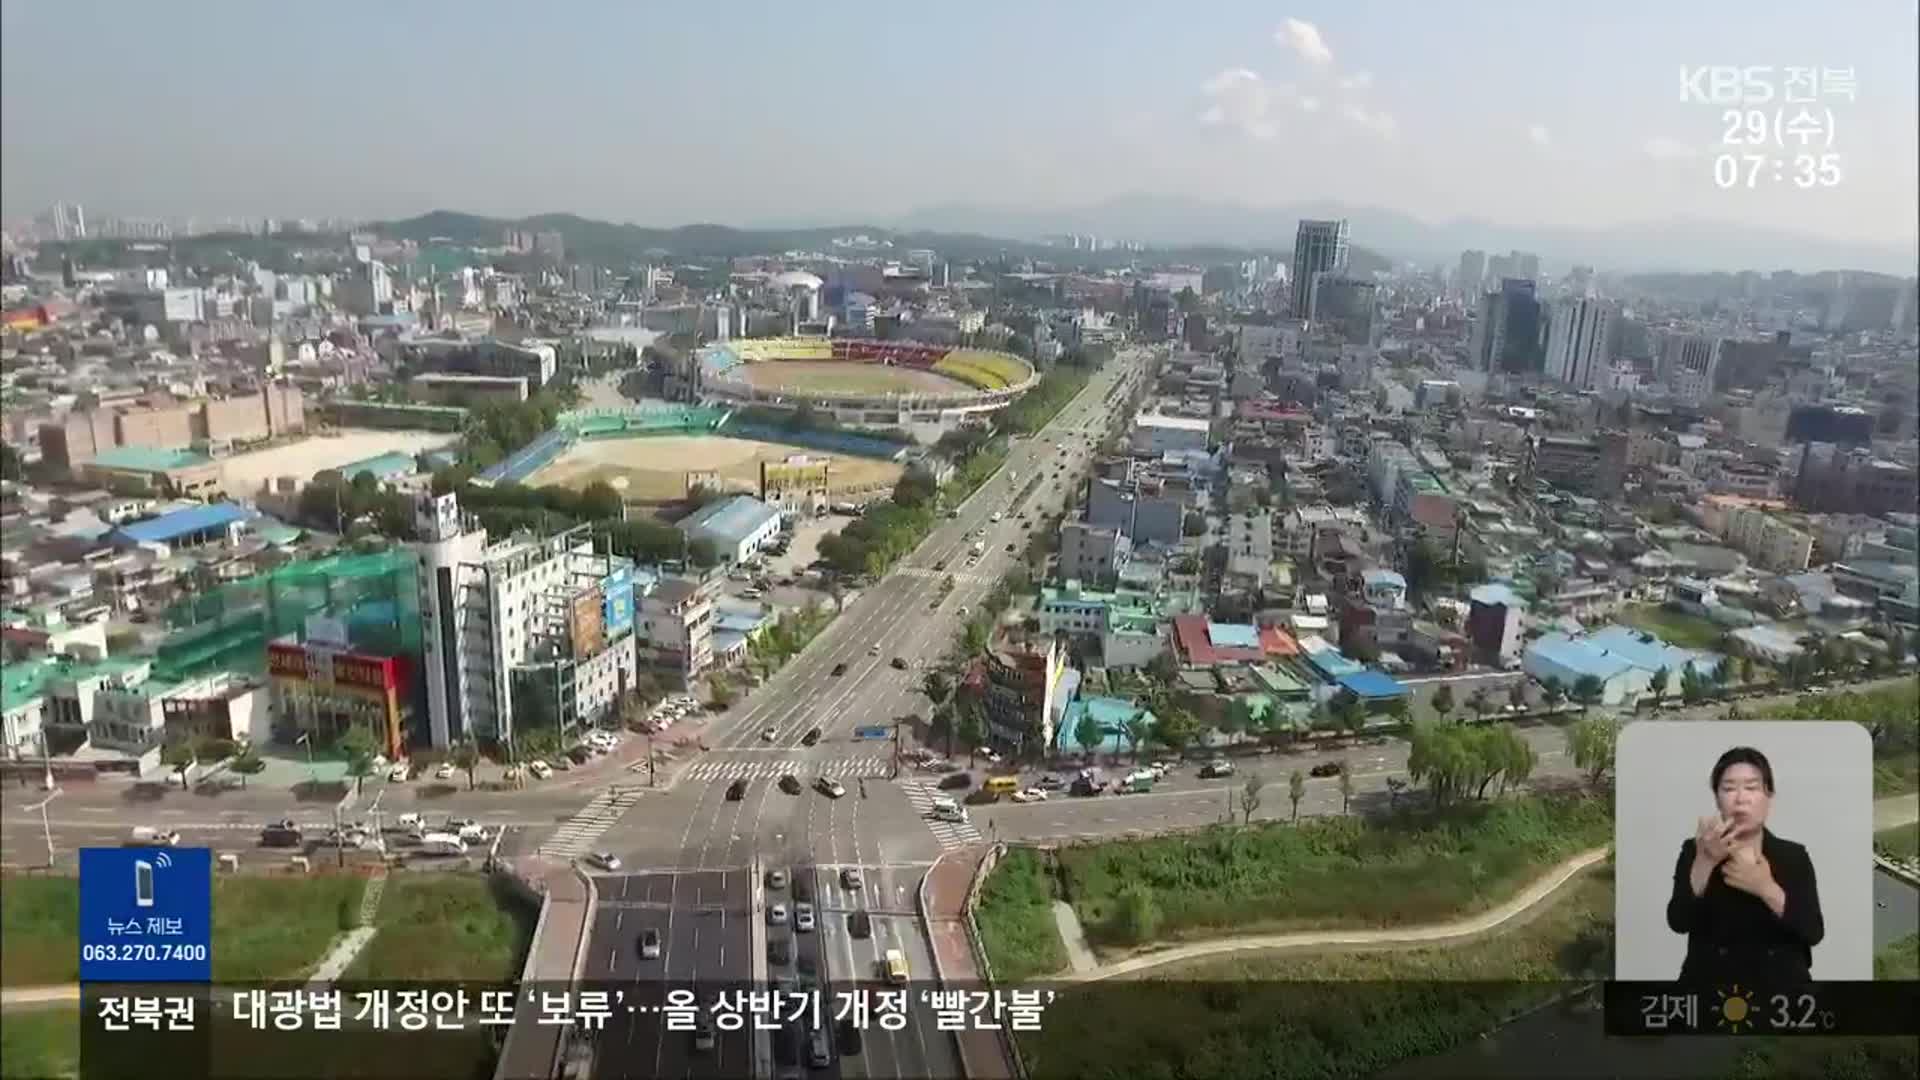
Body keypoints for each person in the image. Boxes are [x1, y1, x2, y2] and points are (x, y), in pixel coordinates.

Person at [1666, 746, 1824, 984]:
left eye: (1751, 788)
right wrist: (1705, 862)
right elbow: (1678, 921)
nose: (1740, 799)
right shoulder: (1695, 850)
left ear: (1768, 796)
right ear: (1717, 799)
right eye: (1728, 789)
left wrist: (1765, 887)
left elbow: (1813, 931)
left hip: (1781, 993)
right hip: (1709, 991)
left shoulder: (1793, 855)